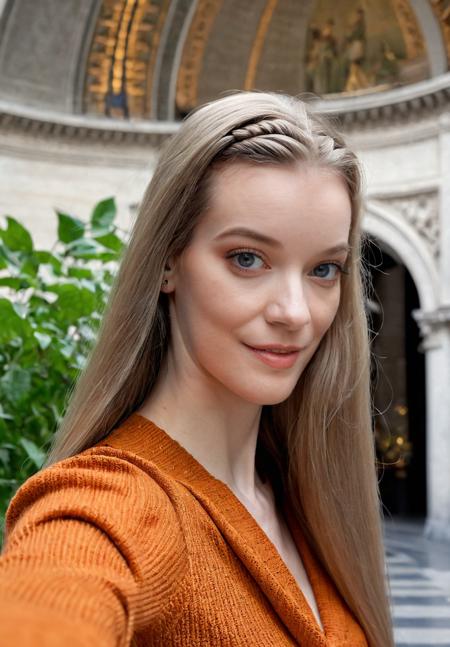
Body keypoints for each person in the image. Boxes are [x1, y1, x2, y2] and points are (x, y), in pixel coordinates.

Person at [0, 91, 394, 646]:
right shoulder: (108, 502)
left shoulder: (303, 502)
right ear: (167, 262)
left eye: (323, 269)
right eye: (247, 259)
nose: (295, 313)